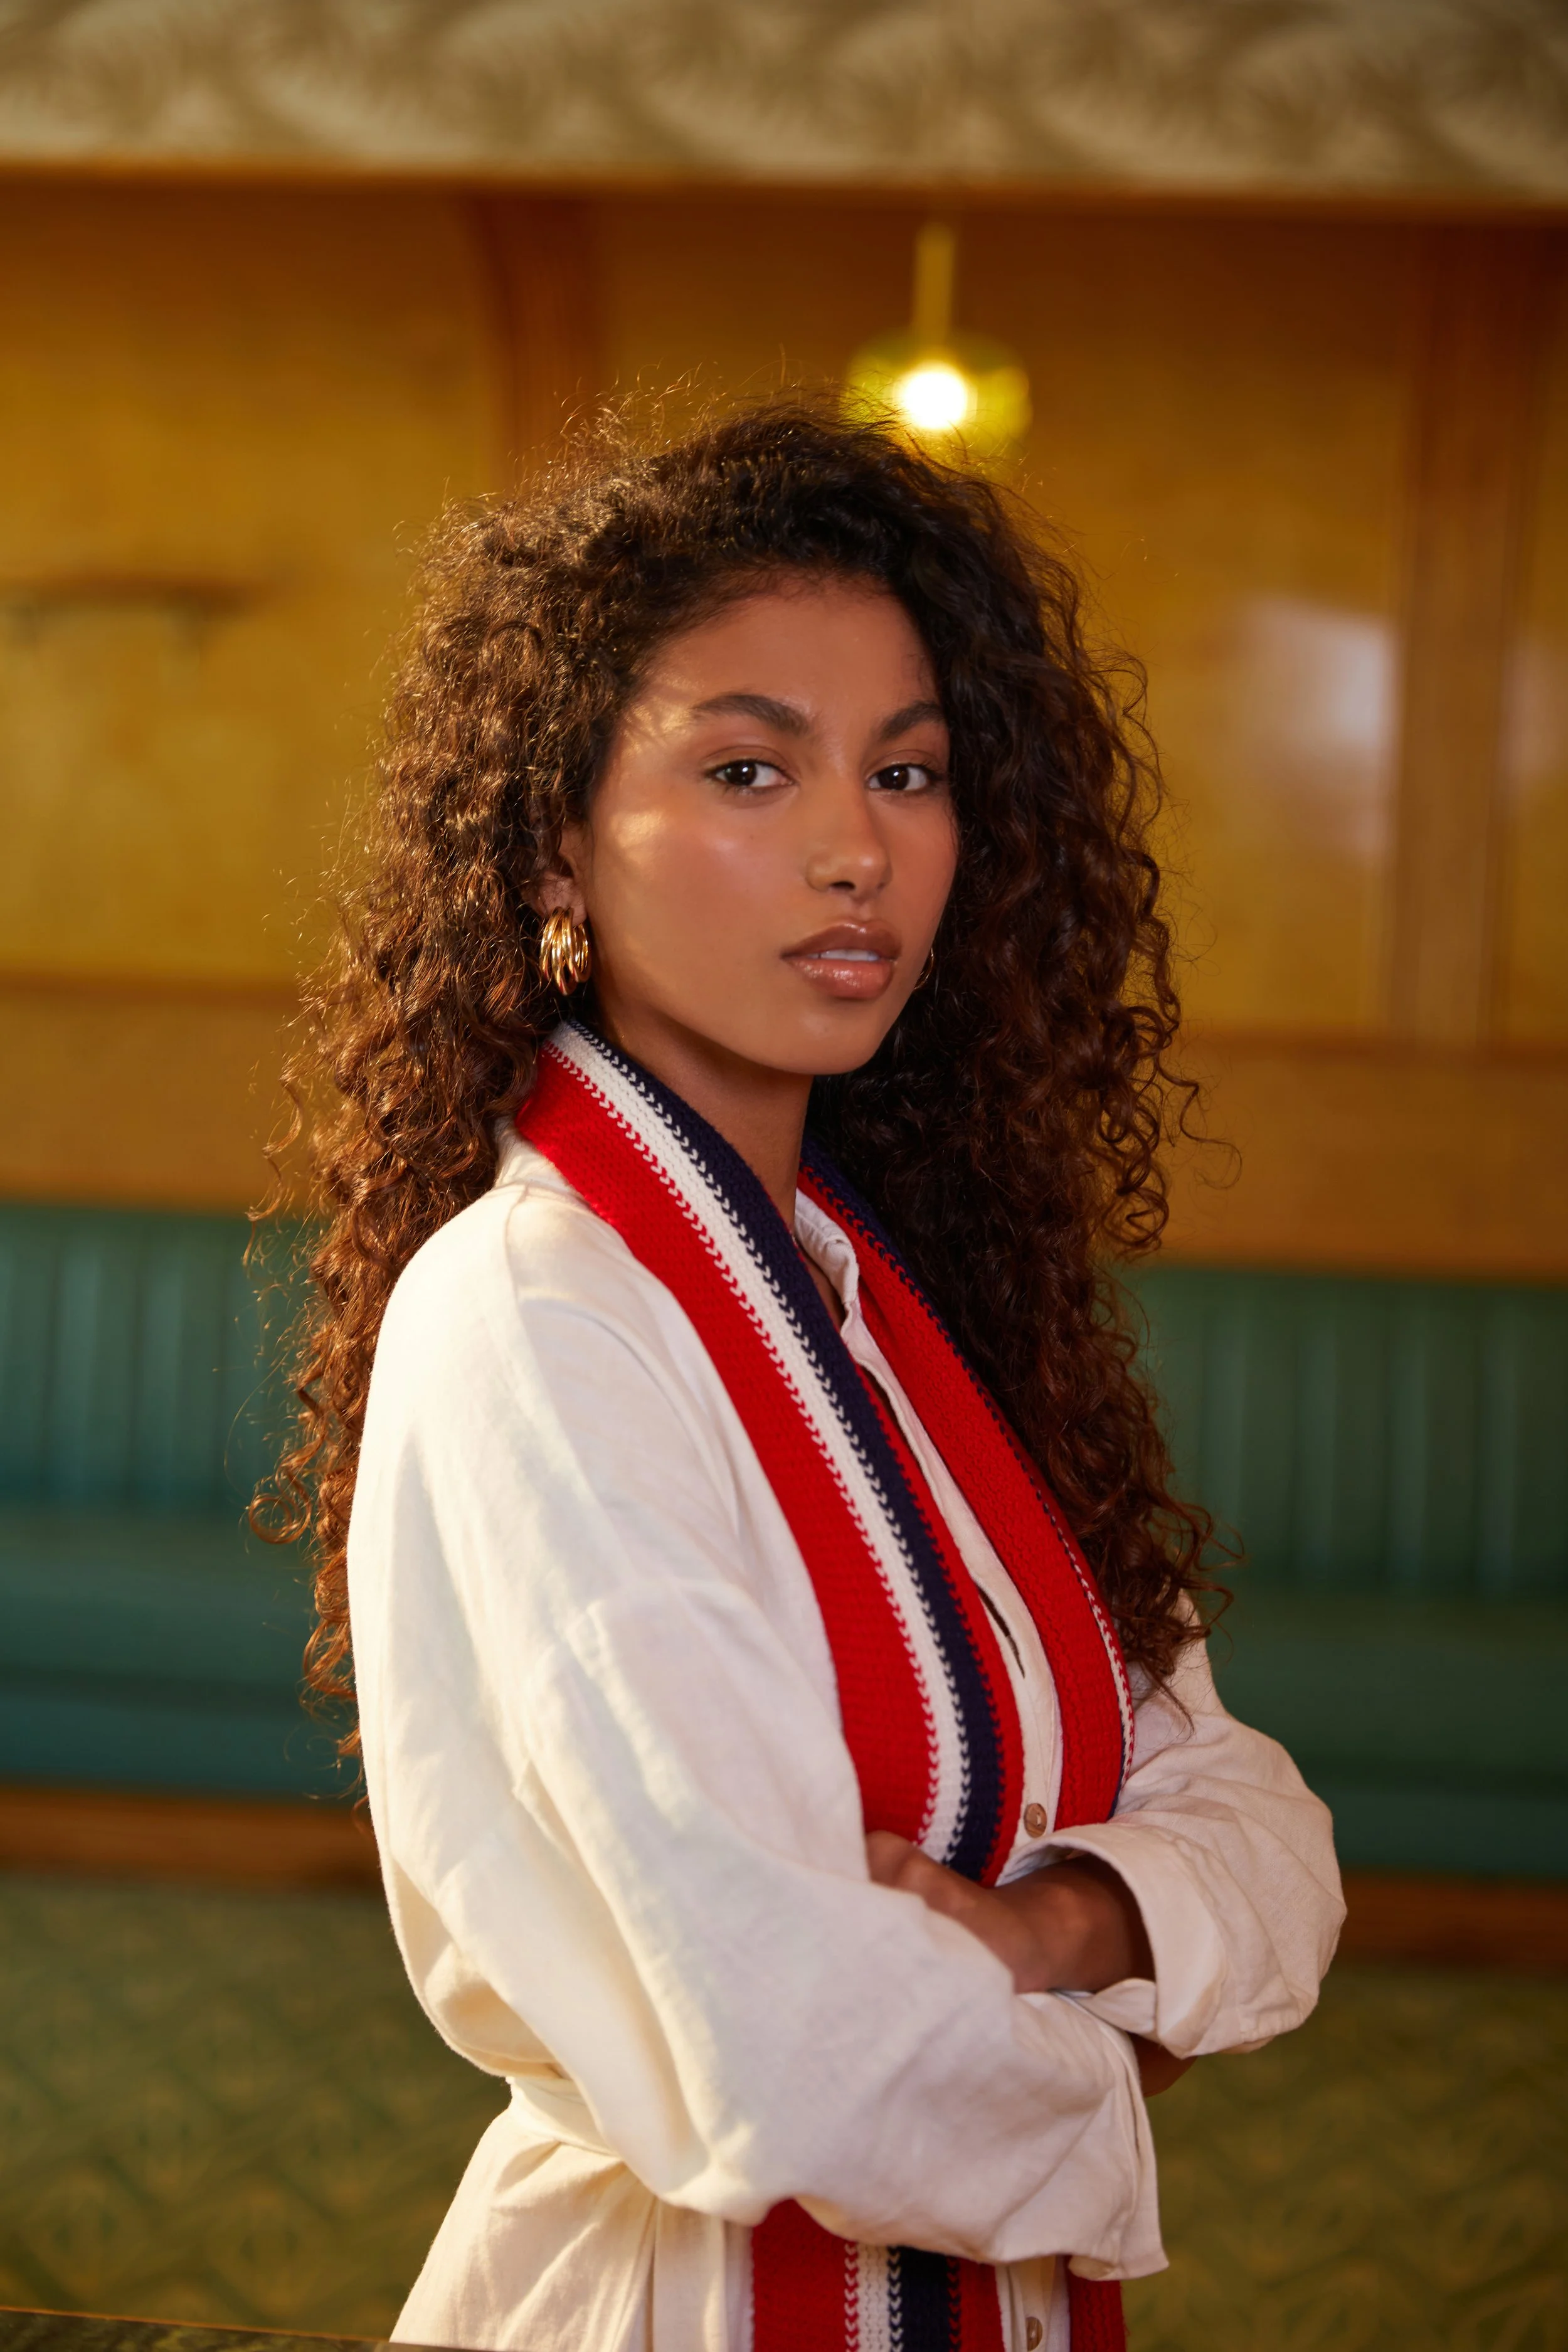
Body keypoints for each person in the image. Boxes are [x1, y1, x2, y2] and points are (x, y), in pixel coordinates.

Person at [265, 403, 1342, 2352]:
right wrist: (1128, 2047)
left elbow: (1263, 1826)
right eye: (748, 765)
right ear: (555, 837)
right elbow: (789, 2051)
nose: (858, 848)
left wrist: (1037, 1928)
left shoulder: (916, 1310)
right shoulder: (535, 1316)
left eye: (908, 770)